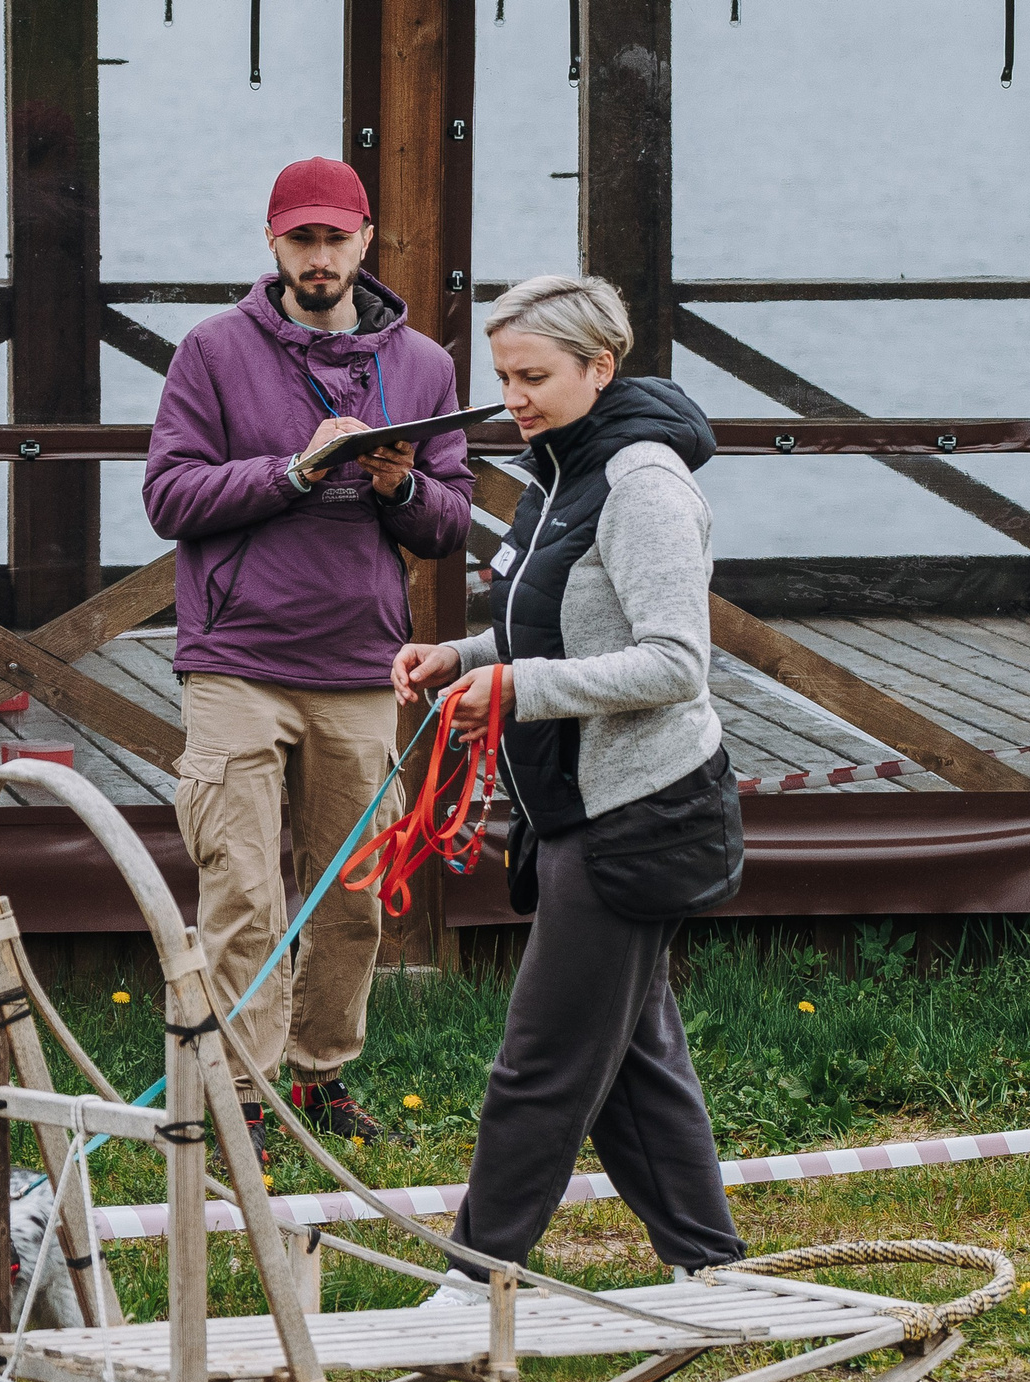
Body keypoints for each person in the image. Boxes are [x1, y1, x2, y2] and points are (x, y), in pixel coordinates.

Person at [391, 275, 747, 1292]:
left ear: (599, 367)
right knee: (633, 1058)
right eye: (503, 376)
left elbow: (676, 663)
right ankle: (708, 1267)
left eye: (534, 376)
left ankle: (475, 1279)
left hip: (638, 812)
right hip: (570, 809)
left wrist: (516, 689)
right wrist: (462, 657)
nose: (513, 398)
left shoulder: (642, 485)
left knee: (539, 1064)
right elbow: (551, 625)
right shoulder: (558, 471)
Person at [144, 157, 473, 1142]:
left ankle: (320, 1078)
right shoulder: (211, 350)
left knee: (353, 898)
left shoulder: (425, 365)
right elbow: (168, 497)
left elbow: (449, 523)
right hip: (235, 659)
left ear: (366, 239)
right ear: (273, 242)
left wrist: (398, 485)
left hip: (361, 665)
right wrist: (293, 470)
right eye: (302, 239)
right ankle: (239, 1099)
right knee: (242, 895)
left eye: (335, 238)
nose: (319, 256)